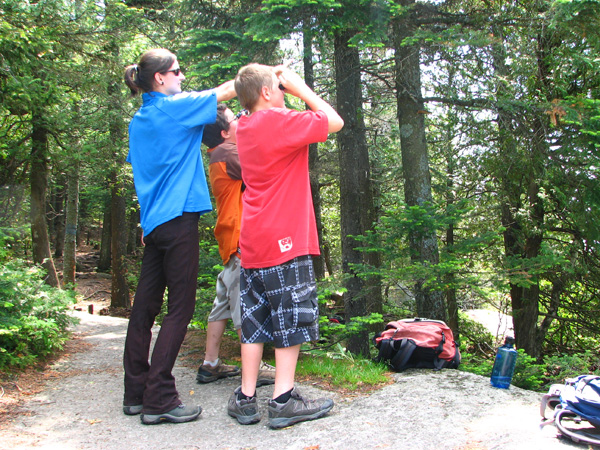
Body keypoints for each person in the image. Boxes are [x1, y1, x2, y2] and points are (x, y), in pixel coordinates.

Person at [122, 48, 236, 425]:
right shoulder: (173, 106)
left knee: (144, 309)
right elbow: (228, 91)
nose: (182, 76)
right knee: (180, 309)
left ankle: (135, 393)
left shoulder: (138, 121)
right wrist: (273, 75)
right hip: (179, 220)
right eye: (177, 71)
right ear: (159, 78)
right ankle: (160, 398)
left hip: (153, 226)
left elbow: (148, 174)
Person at [227, 63, 344, 429]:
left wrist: (277, 88)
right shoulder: (280, 120)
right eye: (277, 86)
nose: (281, 90)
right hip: (286, 239)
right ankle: (282, 400)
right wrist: (300, 87)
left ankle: (246, 398)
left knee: (255, 318)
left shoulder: (243, 127)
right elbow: (334, 121)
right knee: (290, 315)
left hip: (254, 239)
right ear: (266, 93)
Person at [197, 104, 275, 386]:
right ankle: (254, 367)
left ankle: (211, 362)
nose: (240, 120)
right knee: (245, 303)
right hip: (242, 240)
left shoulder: (220, 153)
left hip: (232, 237)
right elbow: (264, 168)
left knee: (222, 302)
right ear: (223, 132)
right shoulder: (228, 152)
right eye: (235, 118)